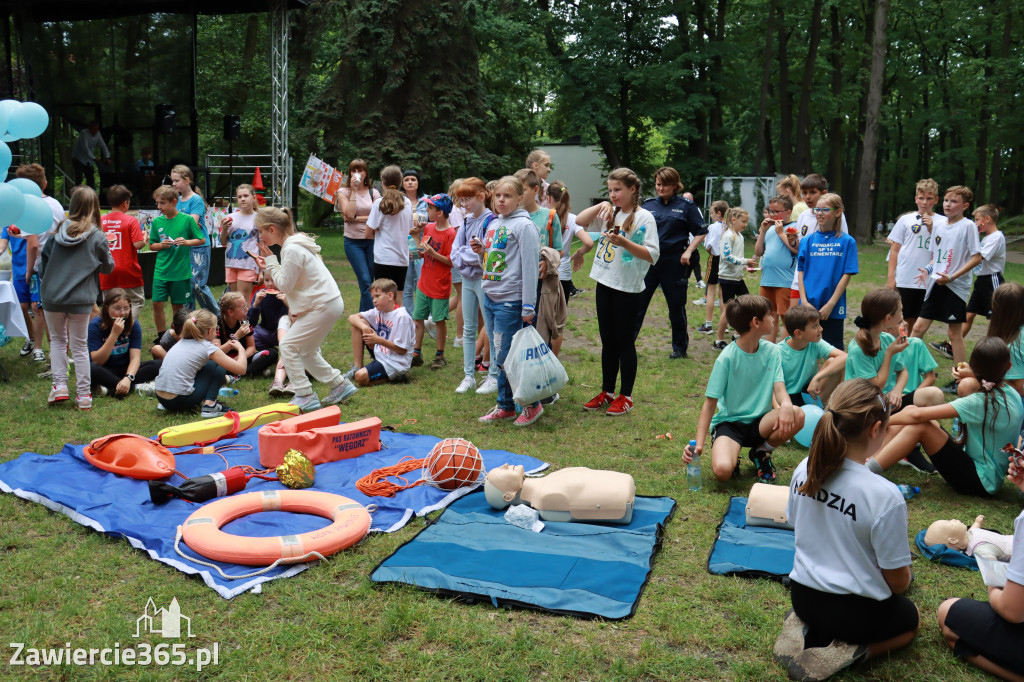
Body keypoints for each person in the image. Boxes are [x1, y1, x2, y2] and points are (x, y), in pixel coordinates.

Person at [774, 379, 918, 681]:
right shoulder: (884, 494)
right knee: (911, 620)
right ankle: (850, 653)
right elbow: (898, 583)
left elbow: (795, 523)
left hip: (802, 598)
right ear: (876, 430)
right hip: (854, 615)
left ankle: (803, 627)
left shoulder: (806, 467)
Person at [869, 337, 1024, 497]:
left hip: (979, 481)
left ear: (973, 365)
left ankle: (866, 472)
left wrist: (883, 422)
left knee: (920, 424)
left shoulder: (980, 402)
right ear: (1009, 367)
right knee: (925, 422)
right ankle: (870, 457)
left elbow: (915, 415)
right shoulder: (1011, 392)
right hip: (990, 476)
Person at [683, 295, 801, 483]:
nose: (773, 319)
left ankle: (761, 452)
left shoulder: (772, 351)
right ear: (756, 322)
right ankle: (730, 452)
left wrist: (786, 405)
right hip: (730, 425)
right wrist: (698, 444)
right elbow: (709, 404)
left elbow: (780, 388)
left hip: (760, 422)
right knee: (723, 472)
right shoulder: (726, 358)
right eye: (769, 316)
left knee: (797, 414)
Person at [574, 167, 661, 416]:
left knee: (624, 342)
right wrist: (602, 203)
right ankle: (607, 391)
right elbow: (579, 221)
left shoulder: (645, 218)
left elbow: (652, 255)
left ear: (633, 189)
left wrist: (624, 242)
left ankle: (626, 396)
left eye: (618, 190)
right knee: (607, 341)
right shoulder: (610, 212)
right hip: (605, 283)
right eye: (610, 190)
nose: (613, 195)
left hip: (627, 288)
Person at [254, 206, 351, 411]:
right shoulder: (295, 244)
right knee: (306, 352)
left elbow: (285, 285)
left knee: (288, 346)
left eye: (261, 231)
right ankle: (340, 385)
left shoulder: (292, 248)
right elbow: (293, 281)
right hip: (327, 304)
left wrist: (271, 262)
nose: (260, 235)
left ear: (272, 229)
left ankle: (304, 394)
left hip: (323, 305)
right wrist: (271, 264)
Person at [937, 461, 1024, 681]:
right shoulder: (976, 546)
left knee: (947, 612)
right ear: (953, 540)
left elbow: (1012, 611)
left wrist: (993, 583)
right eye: (949, 522)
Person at [39, 187, 115, 410]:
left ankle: (60, 386)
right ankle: (83, 396)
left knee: (58, 341)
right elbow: (109, 268)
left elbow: (43, 265)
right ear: (95, 207)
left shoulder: (58, 231)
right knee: (80, 346)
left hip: (52, 296)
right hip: (81, 299)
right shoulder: (97, 235)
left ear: (72, 205)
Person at [476, 175, 541, 426]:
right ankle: (506, 405)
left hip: (510, 301)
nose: (501, 200)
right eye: (498, 196)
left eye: (507, 196)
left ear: (520, 198)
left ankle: (531, 405)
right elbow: (496, 260)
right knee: (499, 354)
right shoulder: (494, 224)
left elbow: (529, 268)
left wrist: (528, 305)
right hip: (491, 296)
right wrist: (482, 251)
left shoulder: (524, 227)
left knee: (508, 357)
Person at [633, 167, 707, 359]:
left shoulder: (686, 206)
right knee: (637, 304)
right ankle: (627, 343)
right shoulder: (647, 205)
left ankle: (680, 348)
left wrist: (689, 251)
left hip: (674, 262)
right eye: (658, 184)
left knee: (676, 307)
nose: (660, 187)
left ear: (675, 185)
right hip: (649, 261)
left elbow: (701, 231)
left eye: (665, 184)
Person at [910, 185, 981, 373]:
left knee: (954, 333)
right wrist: (928, 269)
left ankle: (959, 377)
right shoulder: (939, 225)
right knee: (917, 328)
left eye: (954, 201)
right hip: (936, 283)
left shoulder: (968, 226)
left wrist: (952, 277)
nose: (948, 205)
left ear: (965, 206)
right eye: (946, 201)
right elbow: (936, 255)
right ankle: (907, 369)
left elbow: (977, 257)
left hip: (956, 287)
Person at [0, 164, 65, 363]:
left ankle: (41, 348)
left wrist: (30, 271)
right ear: (45, 183)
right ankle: (36, 342)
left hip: (37, 267)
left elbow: (34, 244)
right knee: (30, 307)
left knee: (38, 307)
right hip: (38, 267)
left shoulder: (33, 207)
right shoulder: (18, 209)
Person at [451, 177, 499, 395]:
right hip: (469, 279)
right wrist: (468, 255)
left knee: (490, 327)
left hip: (484, 280)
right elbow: (455, 252)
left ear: (481, 196)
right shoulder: (466, 221)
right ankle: (469, 375)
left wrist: (468, 254)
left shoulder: (492, 221)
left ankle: (494, 375)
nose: (464, 205)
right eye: (461, 201)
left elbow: (485, 253)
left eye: (467, 199)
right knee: (469, 328)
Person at [153, 309, 246, 417]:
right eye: (216, 329)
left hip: (162, 398)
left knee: (208, 364)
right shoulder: (207, 347)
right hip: (179, 401)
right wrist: (241, 349)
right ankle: (210, 404)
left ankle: (171, 401)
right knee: (217, 365)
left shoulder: (181, 341)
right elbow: (241, 369)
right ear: (210, 331)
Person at [797, 193, 858, 350]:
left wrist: (831, 304)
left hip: (833, 307)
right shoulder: (807, 240)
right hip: (808, 305)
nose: (819, 213)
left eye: (825, 210)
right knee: (806, 350)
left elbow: (847, 274)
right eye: (817, 209)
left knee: (834, 352)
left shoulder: (847, 242)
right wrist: (803, 301)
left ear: (838, 212)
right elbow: (801, 272)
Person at [885, 178, 945, 334]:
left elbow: (943, 249)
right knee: (899, 319)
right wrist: (891, 278)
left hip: (928, 280)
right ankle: (894, 351)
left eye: (929, 198)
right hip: (904, 278)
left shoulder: (943, 222)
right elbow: (895, 250)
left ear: (936, 200)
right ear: (916, 199)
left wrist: (933, 229)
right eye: (921, 198)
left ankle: (910, 354)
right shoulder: (905, 220)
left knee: (918, 323)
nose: (924, 202)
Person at [148, 185, 205, 345]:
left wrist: (186, 242)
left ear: (174, 202)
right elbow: (152, 244)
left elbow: (201, 239)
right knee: (157, 303)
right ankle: (161, 337)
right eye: (157, 203)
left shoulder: (186, 220)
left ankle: (178, 335)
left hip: (180, 272)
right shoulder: (157, 221)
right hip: (161, 271)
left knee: (177, 306)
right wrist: (161, 245)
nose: (159, 207)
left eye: (162, 203)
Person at [788, 174, 849, 308]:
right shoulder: (803, 215)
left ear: (824, 193)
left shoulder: (837, 217)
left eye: (812, 192)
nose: (808, 197)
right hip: (800, 277)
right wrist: (793, 241)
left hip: (822, 278)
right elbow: (800, 248)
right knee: (793, 318)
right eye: (804, 193)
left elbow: (841, 246)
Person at [88, 288, 161, 399]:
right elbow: (97, 360)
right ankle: (136, 387)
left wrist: (128, 378)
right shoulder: (95, 325)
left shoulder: (133, 325)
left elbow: (135, 358)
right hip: (105, 369)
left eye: (126, 308)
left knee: (159, 364)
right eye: (117, 308)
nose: (122, 313)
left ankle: (111, 388)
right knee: (89, 369)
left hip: (126, 369)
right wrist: (114, 335)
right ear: (107, 308)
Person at [411, 193, 456, 370]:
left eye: (430, 208)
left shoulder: (451, 233)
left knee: (439, 321)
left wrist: (432, 254)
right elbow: (424, 250)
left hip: (440, 286)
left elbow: (451, 261)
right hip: (424, 283)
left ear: (440, 212)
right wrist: (418, 252)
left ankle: (440, 355)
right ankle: (416, 353)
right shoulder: (429, 228)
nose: (427, 210)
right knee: (417, 319)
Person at [346, 278, 414, 388]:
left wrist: (377, 340)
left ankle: (399, 376)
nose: (374, 300)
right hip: (381, 353)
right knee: (358, 323)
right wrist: (364, 327)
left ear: (390, 296)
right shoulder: (379, 310)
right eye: (373, 297)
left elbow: (402, 349)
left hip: (395, 362)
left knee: (360, 377)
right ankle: (357, 367)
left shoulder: (402, 317)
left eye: (377, 296)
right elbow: (352, 317)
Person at [169, 164, 218, 315]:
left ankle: (216, 315)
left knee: (197, 284)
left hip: (199, 247)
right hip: (184, 247)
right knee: (186, 285)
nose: (173, 184)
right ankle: (189, 320)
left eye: (177, 180)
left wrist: (178, 222)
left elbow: (192, 223)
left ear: (187, 180)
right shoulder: (176, 199)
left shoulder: (196, 200)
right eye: (172, 181)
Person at [777, 304, 846, 407]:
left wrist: (817, 378)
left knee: (834, 362)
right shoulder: (778, 352)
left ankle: (823, 408)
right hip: (786, 399)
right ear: (798, 333)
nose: (821, 329)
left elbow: (845, 357)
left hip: (809, 393)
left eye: (819, 324)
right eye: (815, 326)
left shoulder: (815, 343)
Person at [335, 159, 380, 313]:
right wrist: (354, 190)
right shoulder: (343, 192)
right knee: (366, 281)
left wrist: (356, 219)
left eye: (360, 170)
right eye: (354, 170)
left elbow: (378, 218)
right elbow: (348, 213)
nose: (357, 174)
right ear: (350, 174)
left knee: (368, 283)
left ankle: (363, 318)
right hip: (353, 243)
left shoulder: (374, 192)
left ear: (366, 173)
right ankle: (370, 318)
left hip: (372, 241)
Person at [755, 195, 799, 342]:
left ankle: (789, 348)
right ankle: (770, 348)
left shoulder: (793, 228)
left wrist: (781, 233)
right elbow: (758, 252)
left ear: (788, 212)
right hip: (767, 279)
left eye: (776, 212)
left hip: (785, 281)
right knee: (768, 316)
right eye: (770, 211)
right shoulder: (770, 229)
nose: (772, 215)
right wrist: (763, 231)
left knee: (787, 317)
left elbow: (796, 250)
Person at [367, 165, 413, 304]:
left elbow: (368, 233)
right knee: (398, 298)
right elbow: (409, 229)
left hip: (383, 258)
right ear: (400, 182)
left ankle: (384, 325)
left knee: (381, 298)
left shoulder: (379, 203)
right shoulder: (407, 203)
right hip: (401, 258)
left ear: (383, 182)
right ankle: (399, 325)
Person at [100, 185, 146, 318]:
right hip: (128, 271)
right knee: (136, 301)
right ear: (125, 203)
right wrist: (144, 237)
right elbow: (138, 244)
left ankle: (112, 333)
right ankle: (128, 328)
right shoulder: (131, 220)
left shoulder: (101, 221)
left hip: (107, 271)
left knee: (109, 304)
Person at [713, 207, 756, 350]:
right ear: (733, 220)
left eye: (746, 222)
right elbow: (727, 257)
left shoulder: (740, 236)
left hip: (737, 278)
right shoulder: (728, 235)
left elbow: (737, 257)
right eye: (743, 221)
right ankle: (718, 340)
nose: (745, 224)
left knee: (746, 305)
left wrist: (746, 267)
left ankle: (737, 335)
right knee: (728, 310)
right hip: (727, 279)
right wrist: (745, 261)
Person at [961, 204, 1006, 339]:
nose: (975, 223)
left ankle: (1000, 348)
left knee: (998, 317)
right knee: (968, 315)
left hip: (992, 280)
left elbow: (979, 257)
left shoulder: (997, 237)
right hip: (981, 281)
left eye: (977, 219)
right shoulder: (986, 237)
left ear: (987, 219)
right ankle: (952, 346)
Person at [549, 181, 592, 306]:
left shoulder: (544, 216)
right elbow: (589, 243)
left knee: (543, 318)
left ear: (548, 198)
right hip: (564, 274)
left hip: (545, 272)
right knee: (559, 318)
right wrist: (580, 252)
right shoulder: (573, 219)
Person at [218, 183, 260, 303]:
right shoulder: (230, 217)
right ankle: (238, 322)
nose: (242, 199)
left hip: (248, 264)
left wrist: (262, 271)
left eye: (246, 195)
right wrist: (225, 229)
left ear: (253, 197)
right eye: (239, 196)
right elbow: (223, 242)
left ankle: (246, 322)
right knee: (234, 301)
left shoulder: (258, 218)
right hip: (231, 263)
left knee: (243, 300)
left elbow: (262, 245)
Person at [248, 269, 290, 388]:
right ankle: (268, 355)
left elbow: (297, 318)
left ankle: (282, 357)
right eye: (267, 280)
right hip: (266, 331)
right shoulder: (260, 295)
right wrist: (255, 305)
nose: (270, 284)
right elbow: (251, 323)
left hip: (286, 333)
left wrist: (288, 304)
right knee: (252, 335)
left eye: (274, 280)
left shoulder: (289, 294)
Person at [986, 282, 1024, 399]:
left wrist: (977, 376)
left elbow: (1020, 389)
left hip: (1018, 406)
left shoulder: (1015, 344)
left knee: (968, 385)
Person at [696, 200, 728, 335]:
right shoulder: (729, 226)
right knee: (723, 293)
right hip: (727, 261)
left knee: (711, 292)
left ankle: (708, 324)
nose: (711, 215)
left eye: (712, 213)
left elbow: (708, 247)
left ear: (718, 213)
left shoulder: (713, 227)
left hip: (715, 260)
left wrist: (707, 244)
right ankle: (724, 324)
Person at [401, 169, 429, 305]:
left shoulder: (427, 201)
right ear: (402, 183)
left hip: (422, 246)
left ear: (418, 182)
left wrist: (425, 226)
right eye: (406, 180)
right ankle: (409, 318)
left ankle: (424, 317)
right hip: (404, 247)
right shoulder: (399, 201)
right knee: (407, 285)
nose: (410, 182)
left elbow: (435, 221)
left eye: (413, 179)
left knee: (422, 281)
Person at [71, 121, 111, 189]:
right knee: (79, 178)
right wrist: (94, 158)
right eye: (94, 129)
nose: (95, 131)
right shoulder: (84, 133)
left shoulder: (98, 134)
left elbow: (103, 145)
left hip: (88, 160)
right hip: (78, 159)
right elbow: (85, 148)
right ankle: (77, 195)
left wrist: (107, 157)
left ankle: (91, 196)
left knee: (91, 179)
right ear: (89, 128)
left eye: (97, 129)